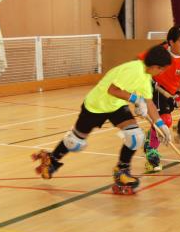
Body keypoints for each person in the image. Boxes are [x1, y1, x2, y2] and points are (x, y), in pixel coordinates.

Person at [32, 44, 172, 194]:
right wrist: (136, 99)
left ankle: (122, 171)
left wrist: (160, 125)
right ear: (155, 66)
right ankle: (51, 160)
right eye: (162, 68)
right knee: (75, 143)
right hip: (97, 105)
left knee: (135, 137)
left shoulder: (145, 77)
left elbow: (149, 102)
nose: (162, 72)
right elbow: (112, 90)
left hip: (115, 105)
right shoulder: (133, 70)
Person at [137, 26, 180, 172]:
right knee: (165, 120)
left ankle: (151, 136)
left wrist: (178, 94)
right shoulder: (160, 51)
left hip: (170, 92)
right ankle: (151, 152)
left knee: (163, 120)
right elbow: (138, 61)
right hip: (154, 87)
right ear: (171, 42)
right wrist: (146, 78)